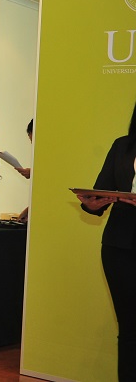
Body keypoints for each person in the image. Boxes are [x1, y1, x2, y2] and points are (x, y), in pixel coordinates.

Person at [76, 101, 136, 381]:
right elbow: (100, 196)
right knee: (129, 328)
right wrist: (91, 202)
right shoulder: (122, 146)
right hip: (120, 247)